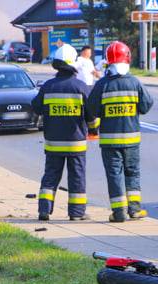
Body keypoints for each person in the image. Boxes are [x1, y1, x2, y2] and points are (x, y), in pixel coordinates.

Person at [89, 42, 154, 223]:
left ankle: (119, 213)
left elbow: (92, 110)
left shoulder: (102, 84)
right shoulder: (134, 82)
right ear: (127, 59)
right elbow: (146, 105)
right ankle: (135, 209)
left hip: (110, 142)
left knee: (114, 175)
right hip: (131, 140)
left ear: (108, 61)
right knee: (132, 173)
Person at [31, 44, 97, 222]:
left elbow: (36, 107)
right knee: (77, 177)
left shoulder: (48, 86)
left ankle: (44, 210)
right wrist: (93, 129)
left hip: (53, 143)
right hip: (76, 144)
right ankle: (76, 213)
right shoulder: (81, 87)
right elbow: (91, 115)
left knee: (50, 176)